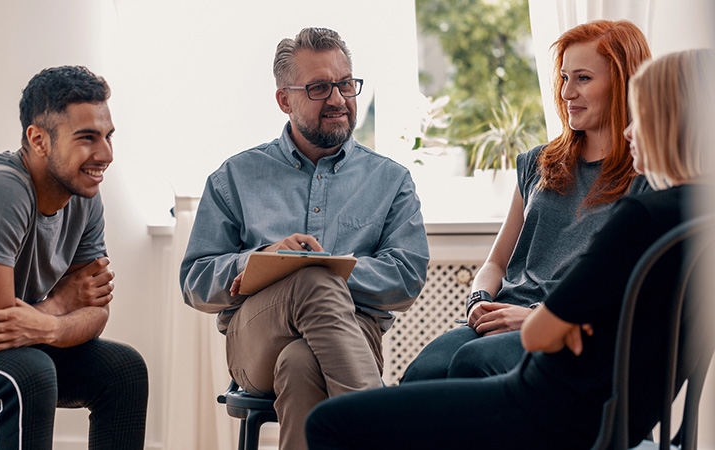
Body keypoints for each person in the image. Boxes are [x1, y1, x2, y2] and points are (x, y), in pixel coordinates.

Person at [306, 47, 715, 450]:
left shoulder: (640, 215)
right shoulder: (697, 222)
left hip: (542, 407)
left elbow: (538, 334)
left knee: (329, 421)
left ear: (671, 124)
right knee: (425, 377)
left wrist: (557, 321)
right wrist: (570, 321)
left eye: (640, 117)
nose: (630, 131)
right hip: (603, 414)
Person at [180, 27, 429, 450]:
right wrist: (259, 261)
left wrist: (328, 269)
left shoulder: (391, 180)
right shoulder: (235, 177)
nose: (337, 99)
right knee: (311, 281)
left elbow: (406, 277)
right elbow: (195, 282)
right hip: (255, 338)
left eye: (345, 84)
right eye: (318, 88)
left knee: (300, 363)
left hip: (356, 332)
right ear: (284, 100)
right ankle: (383, 432)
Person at [401, 19, 652, 382]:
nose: (566, 93)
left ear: (624, 82)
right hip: (499, 316)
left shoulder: (644, 180)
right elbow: (496, 262)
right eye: (565, 78)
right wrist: (478, 301)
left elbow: (625, 293)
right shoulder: (539, 162)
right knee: (422, 373)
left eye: (583, 78)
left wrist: (537, 317)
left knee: (473, 364)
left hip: (563, 328)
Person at [0, 66, 148, 449]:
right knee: (26, 372)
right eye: (87, 138)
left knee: (123, 370)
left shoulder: (83, 195)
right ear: (38, 139)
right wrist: (59, 305)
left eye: (108, 136)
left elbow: (96, 312)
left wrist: (50, 327)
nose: (105, 154)